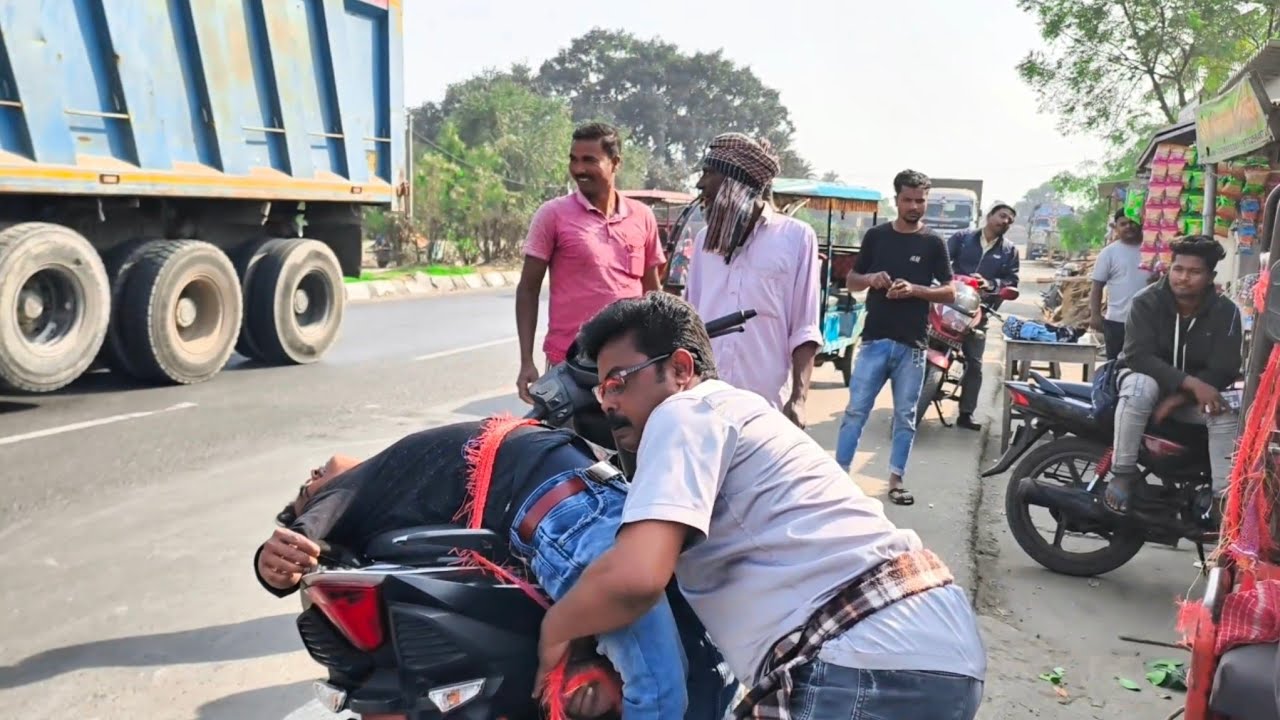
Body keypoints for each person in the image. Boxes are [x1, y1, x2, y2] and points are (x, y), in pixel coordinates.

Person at [533, 292, 986, 720]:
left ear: (679, 368)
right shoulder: (742, 415)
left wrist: (557, 629)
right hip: (931, 649)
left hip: (863, 652)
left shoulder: (686, 411)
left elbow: (635, 578)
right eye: (600, 391)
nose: (608, 402)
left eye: (617, 382)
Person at [253, 419, 737, 720]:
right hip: (564, 505)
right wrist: (273, 559)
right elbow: (302, 534)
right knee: (662, 681)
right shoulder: (354, 488)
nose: (316, 474)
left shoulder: (406, 471)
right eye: (306, 485)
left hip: (559, 504)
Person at [515, 122, 666, 403]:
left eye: (589, 160)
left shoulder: (642, 217)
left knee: (627, 445)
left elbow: (652, 292)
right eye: (574, 160)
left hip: (630, 365)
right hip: (570, 364)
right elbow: (528, 289)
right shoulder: (553, 215)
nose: (579, 169)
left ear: (615, 163)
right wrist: (526, 361)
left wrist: (661, 354)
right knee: (567, 444)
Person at [834, 170, 955, 506]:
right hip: (874, 340)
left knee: (905, 417)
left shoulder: (933, 243)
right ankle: (839, 477)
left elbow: (949, 292)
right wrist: (872, 278)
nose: (914, 206)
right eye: (908, 199)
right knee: (856, 411)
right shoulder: (876, 236)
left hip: (913, 345)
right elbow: (852, 281)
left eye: (921, 200)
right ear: (897, 199)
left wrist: (915, 290)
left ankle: (896, 480)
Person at [684, 133, 821, 425]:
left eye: (709, 173)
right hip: (705, 401)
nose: (700, 184)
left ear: (735, 182)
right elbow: (690, 322)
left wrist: (798, 399)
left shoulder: (797, 238)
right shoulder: (703, 241)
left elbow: (804, 329)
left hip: (764, 406)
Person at [1104, 235, 1243, 515]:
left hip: (1189, 400)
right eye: (1177, 269)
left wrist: (1179, 398)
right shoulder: (1146, 301)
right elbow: (1138, 357)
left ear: (1210, 276)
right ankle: (1123, 471)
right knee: (1142, 385)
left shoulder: (1226, 312)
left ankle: (1222, 500)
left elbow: (1224, 367)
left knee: (1225, 410)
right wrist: (1189, 383)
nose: (1183, 278)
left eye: (1194, 272)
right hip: (1139, 384)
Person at [945, 203, 1021, 430]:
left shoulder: (1010, 250)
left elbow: (1012, 282)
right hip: (948, 306)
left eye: (1010, 220)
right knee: (919, 349)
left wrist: (990, 284)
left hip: (979, 313)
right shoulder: (961, 238)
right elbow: (941, 263)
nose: (1005, 221)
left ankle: (966, 414)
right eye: (1002, 216)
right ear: (989, 216)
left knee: (975, 364)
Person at [1090, 209, 1155, 360]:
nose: (1128, 227)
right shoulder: (1109, 253)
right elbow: (1097, 286)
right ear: (1116, 227)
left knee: (1147, 365)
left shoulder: (1154, 250)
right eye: (1123, 224)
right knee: (1115, 366)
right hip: (1117, 322)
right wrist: (1095, 315)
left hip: (1150, 322)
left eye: (1132, 222)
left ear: (1141, 223)